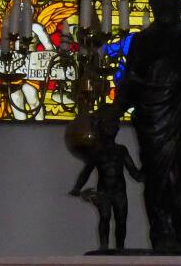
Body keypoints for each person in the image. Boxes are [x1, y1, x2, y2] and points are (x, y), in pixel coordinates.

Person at [105, 0, 181, 253]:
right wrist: (115, 110)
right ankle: (163, 232)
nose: (165, 4)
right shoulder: (142, 41)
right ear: (153, 3)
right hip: (153, 121)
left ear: (179, 1)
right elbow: (131, 80)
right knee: (158, 180)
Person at [69, 103, 143, 251]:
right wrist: (77, 188)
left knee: (121, 220)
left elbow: (134, 172)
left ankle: (120, 248)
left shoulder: (121, 150)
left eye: (115, 126)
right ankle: (104, 247)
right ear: (101, 128)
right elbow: (86, 172)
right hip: (104, 191)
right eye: (109, 126)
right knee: (105, 217)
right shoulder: (97, 151)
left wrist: (146, 173)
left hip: (119, 192)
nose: (113, 129)